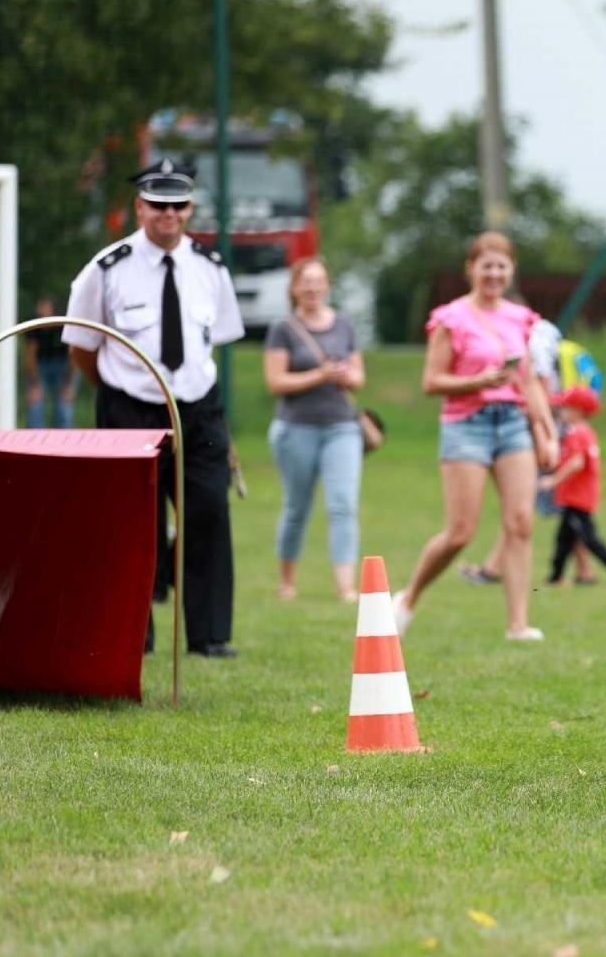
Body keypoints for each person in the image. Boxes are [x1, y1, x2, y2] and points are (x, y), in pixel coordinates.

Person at [64, 158, 245, 658]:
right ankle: (132, 632)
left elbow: (216, 341)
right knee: (130, 523)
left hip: (198, 409)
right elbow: (82, 346)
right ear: (139, 207)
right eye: (158, 205)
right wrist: (117, 391)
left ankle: (208, 636)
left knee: (208, 513)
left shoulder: (211, 269)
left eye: (178, 205)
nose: (169, 214)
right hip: (130, 408)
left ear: (191, 209)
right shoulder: (106, 270)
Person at [392, 231, 558, 641]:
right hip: (467, 424)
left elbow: (531, 380)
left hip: (514, 422)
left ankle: (518, 624)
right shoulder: (451, 318)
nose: (494, 273)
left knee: (520, 522)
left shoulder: (522, 318)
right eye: (487, 266)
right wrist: (479, 380)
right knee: (460, 533)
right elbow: (432, 381)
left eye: (502, 266)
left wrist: (547, 431)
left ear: (511, 271)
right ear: (471, 269)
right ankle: (408, 599)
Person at [459, 310, 594, 586]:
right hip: (547, 425)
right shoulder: (545, 332)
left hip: (534, 426)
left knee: (522, 505)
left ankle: (493, 568)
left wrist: (542, 432)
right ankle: (584, 570)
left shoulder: (530, 337)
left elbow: (539, 385)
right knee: (564, 507)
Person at [262, 257, 366, 603]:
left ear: (328, 287)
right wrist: (319, 376)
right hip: (296, 429)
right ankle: (287, 581)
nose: (312, 288)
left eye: (319, 282)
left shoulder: (345, 325)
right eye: (305, 282)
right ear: (294, 288)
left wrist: (345, 375)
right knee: (297, 506)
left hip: (342, 427)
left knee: (343, 505)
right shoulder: (283, 329)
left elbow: (359, 377)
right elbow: (275, 382)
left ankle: (345, 587)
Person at [541, 385, 606, 590]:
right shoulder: (585, 433)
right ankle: (555, 578)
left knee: (590, 540)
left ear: (578, 411)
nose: (561, 412)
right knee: (564, 540)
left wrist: (553, 480)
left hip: (578, 499)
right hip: (573, 498)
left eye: (565, 408)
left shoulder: (578, 434)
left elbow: (577, 463)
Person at [26, 296, 78, 428]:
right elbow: (30, 356)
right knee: (35, 406)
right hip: (40, 365)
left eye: (43, 308)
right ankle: (35, 443)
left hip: (63, 365)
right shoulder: (34, 326)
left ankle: (64, 443)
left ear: (53, 311)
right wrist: (34, 385)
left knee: (64, 409)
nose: (39, 311)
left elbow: (73, 356)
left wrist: (68, 386)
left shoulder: (64, 325)